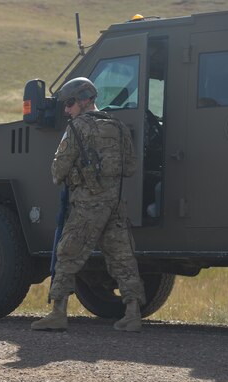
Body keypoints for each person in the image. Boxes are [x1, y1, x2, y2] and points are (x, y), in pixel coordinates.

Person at [31, 77, 146, 332]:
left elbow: (57, 172)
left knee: (66, 253)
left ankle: (58, 313)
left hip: (87, 205)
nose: (66, 109)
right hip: (114, 203)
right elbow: (131, 167)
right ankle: (132, 313)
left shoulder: (76, 129)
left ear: (84, 101)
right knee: (123, 257)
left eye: (70, 103)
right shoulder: (117, 125)